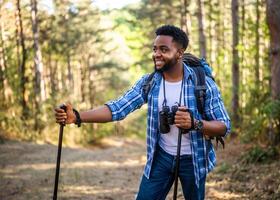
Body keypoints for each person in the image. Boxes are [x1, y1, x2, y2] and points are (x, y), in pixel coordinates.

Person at [55, 25, 230, 200]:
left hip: (194, 159)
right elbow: (118, 108)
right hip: (161, 158)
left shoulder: (203, 84)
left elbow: (223, 126)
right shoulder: (149, 83)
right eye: (155, 49)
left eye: (164, 49)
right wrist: (77, 116)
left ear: (179, 53)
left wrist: (195, 123)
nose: (156, 54)